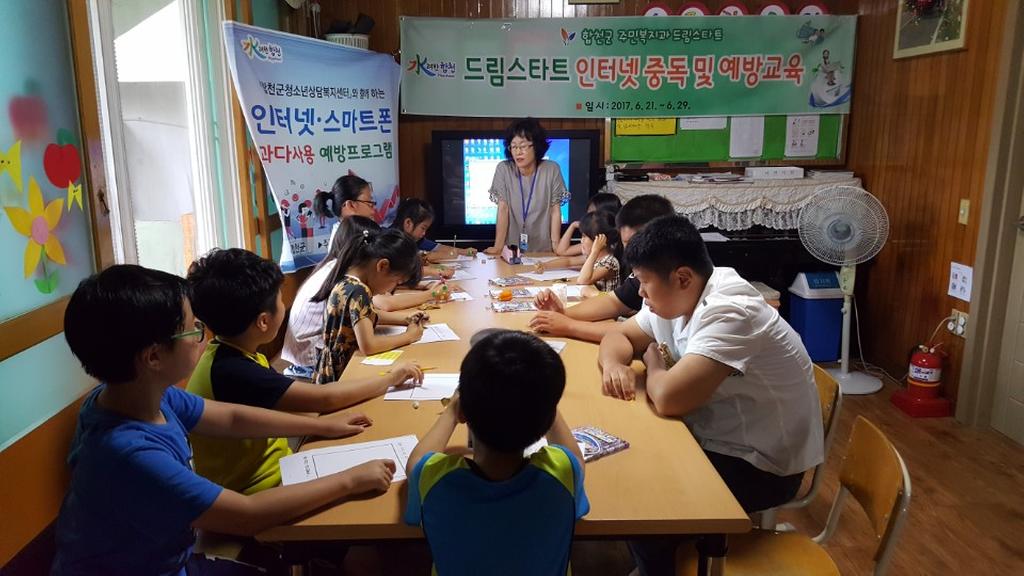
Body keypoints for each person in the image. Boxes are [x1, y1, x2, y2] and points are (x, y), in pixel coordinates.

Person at [53, 265, 398, 575]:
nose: (203, 334)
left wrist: (322, 425)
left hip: (171, 554)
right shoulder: (129, 455)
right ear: (154, 357)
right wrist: (350, 480)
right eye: (192, 331)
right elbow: (248, 514)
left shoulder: (139, 393)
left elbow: (232, 418)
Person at [596, 215, 824, 576]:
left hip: (760, 462)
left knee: (643, 502)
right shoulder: (673, 297)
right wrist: (613, 365)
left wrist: (653, 363)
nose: (639, 294)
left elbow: (670, 398)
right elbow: (617, 337)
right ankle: (655, 559)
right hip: (716, 433)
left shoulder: (731, 310)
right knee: (633, 462)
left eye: (644, 284)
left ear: (682, 277)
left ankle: (658, 563)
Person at [186, 248, 423, 494]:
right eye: (280, 299)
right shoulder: (235, 371)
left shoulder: (229, 353)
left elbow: (299, 404)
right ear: (264, 321)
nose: (284, 305)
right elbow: (326, 398)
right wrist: (392, 377)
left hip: (275, 466)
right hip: (259, 487)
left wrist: (323, 424)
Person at [404, 329, 588, 576]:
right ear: (547, 421)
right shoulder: (563, 473)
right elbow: (575, 457)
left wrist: (452, 411)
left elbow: (415, 463)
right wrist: (543, 403)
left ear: (464, 411)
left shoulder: (435, 479)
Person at [528, 194, 674, 342]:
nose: (629, 251)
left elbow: (628, 332)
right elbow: (613, 302)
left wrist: (568, 325)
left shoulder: (665, 281)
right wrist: (562, 313)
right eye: (625, 243)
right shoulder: (641, 276)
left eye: (633, 243)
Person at [313, 228, 427, 385]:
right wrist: (409, 337)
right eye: (396, 281)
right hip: (343, 374)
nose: (390, 289)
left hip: (330, 367)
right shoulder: (359, 291)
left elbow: (366, 315)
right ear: (382, 266)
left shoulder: (348, 281)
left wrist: (405, 319)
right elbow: (369, 346)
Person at [483, 118, 570, 255]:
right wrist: (498, 247)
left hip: (543, 249)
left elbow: (555, 211)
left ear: (536, 146)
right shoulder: (503, 169)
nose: (518, 152)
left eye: (523, 146)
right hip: (511, 251)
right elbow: (503, 209)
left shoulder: (551, 169)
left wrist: (556, 246)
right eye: (514, 146)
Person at [534, 209, 624, 293]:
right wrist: (545, 265)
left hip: (606, 308)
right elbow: (568, 261)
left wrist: (594, 251)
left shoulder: (610, 262)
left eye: (584, 236)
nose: (581, 241)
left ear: (600, 240)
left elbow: (583, 280)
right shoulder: (593, 258)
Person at [391, 197, 477, 262]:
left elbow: (436, 247)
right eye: (423, 228)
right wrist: (447, 256)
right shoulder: (391, 240)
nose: (424, 233)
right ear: (408, 223)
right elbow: (411, 260)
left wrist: (463, 251)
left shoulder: (415, 239)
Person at [554, 192, 623, 257]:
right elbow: (562, 252)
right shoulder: (592, 240)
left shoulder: (610, 244)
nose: (587, 217)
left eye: (591, 213)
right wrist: (573, 225)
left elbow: (566, 256)